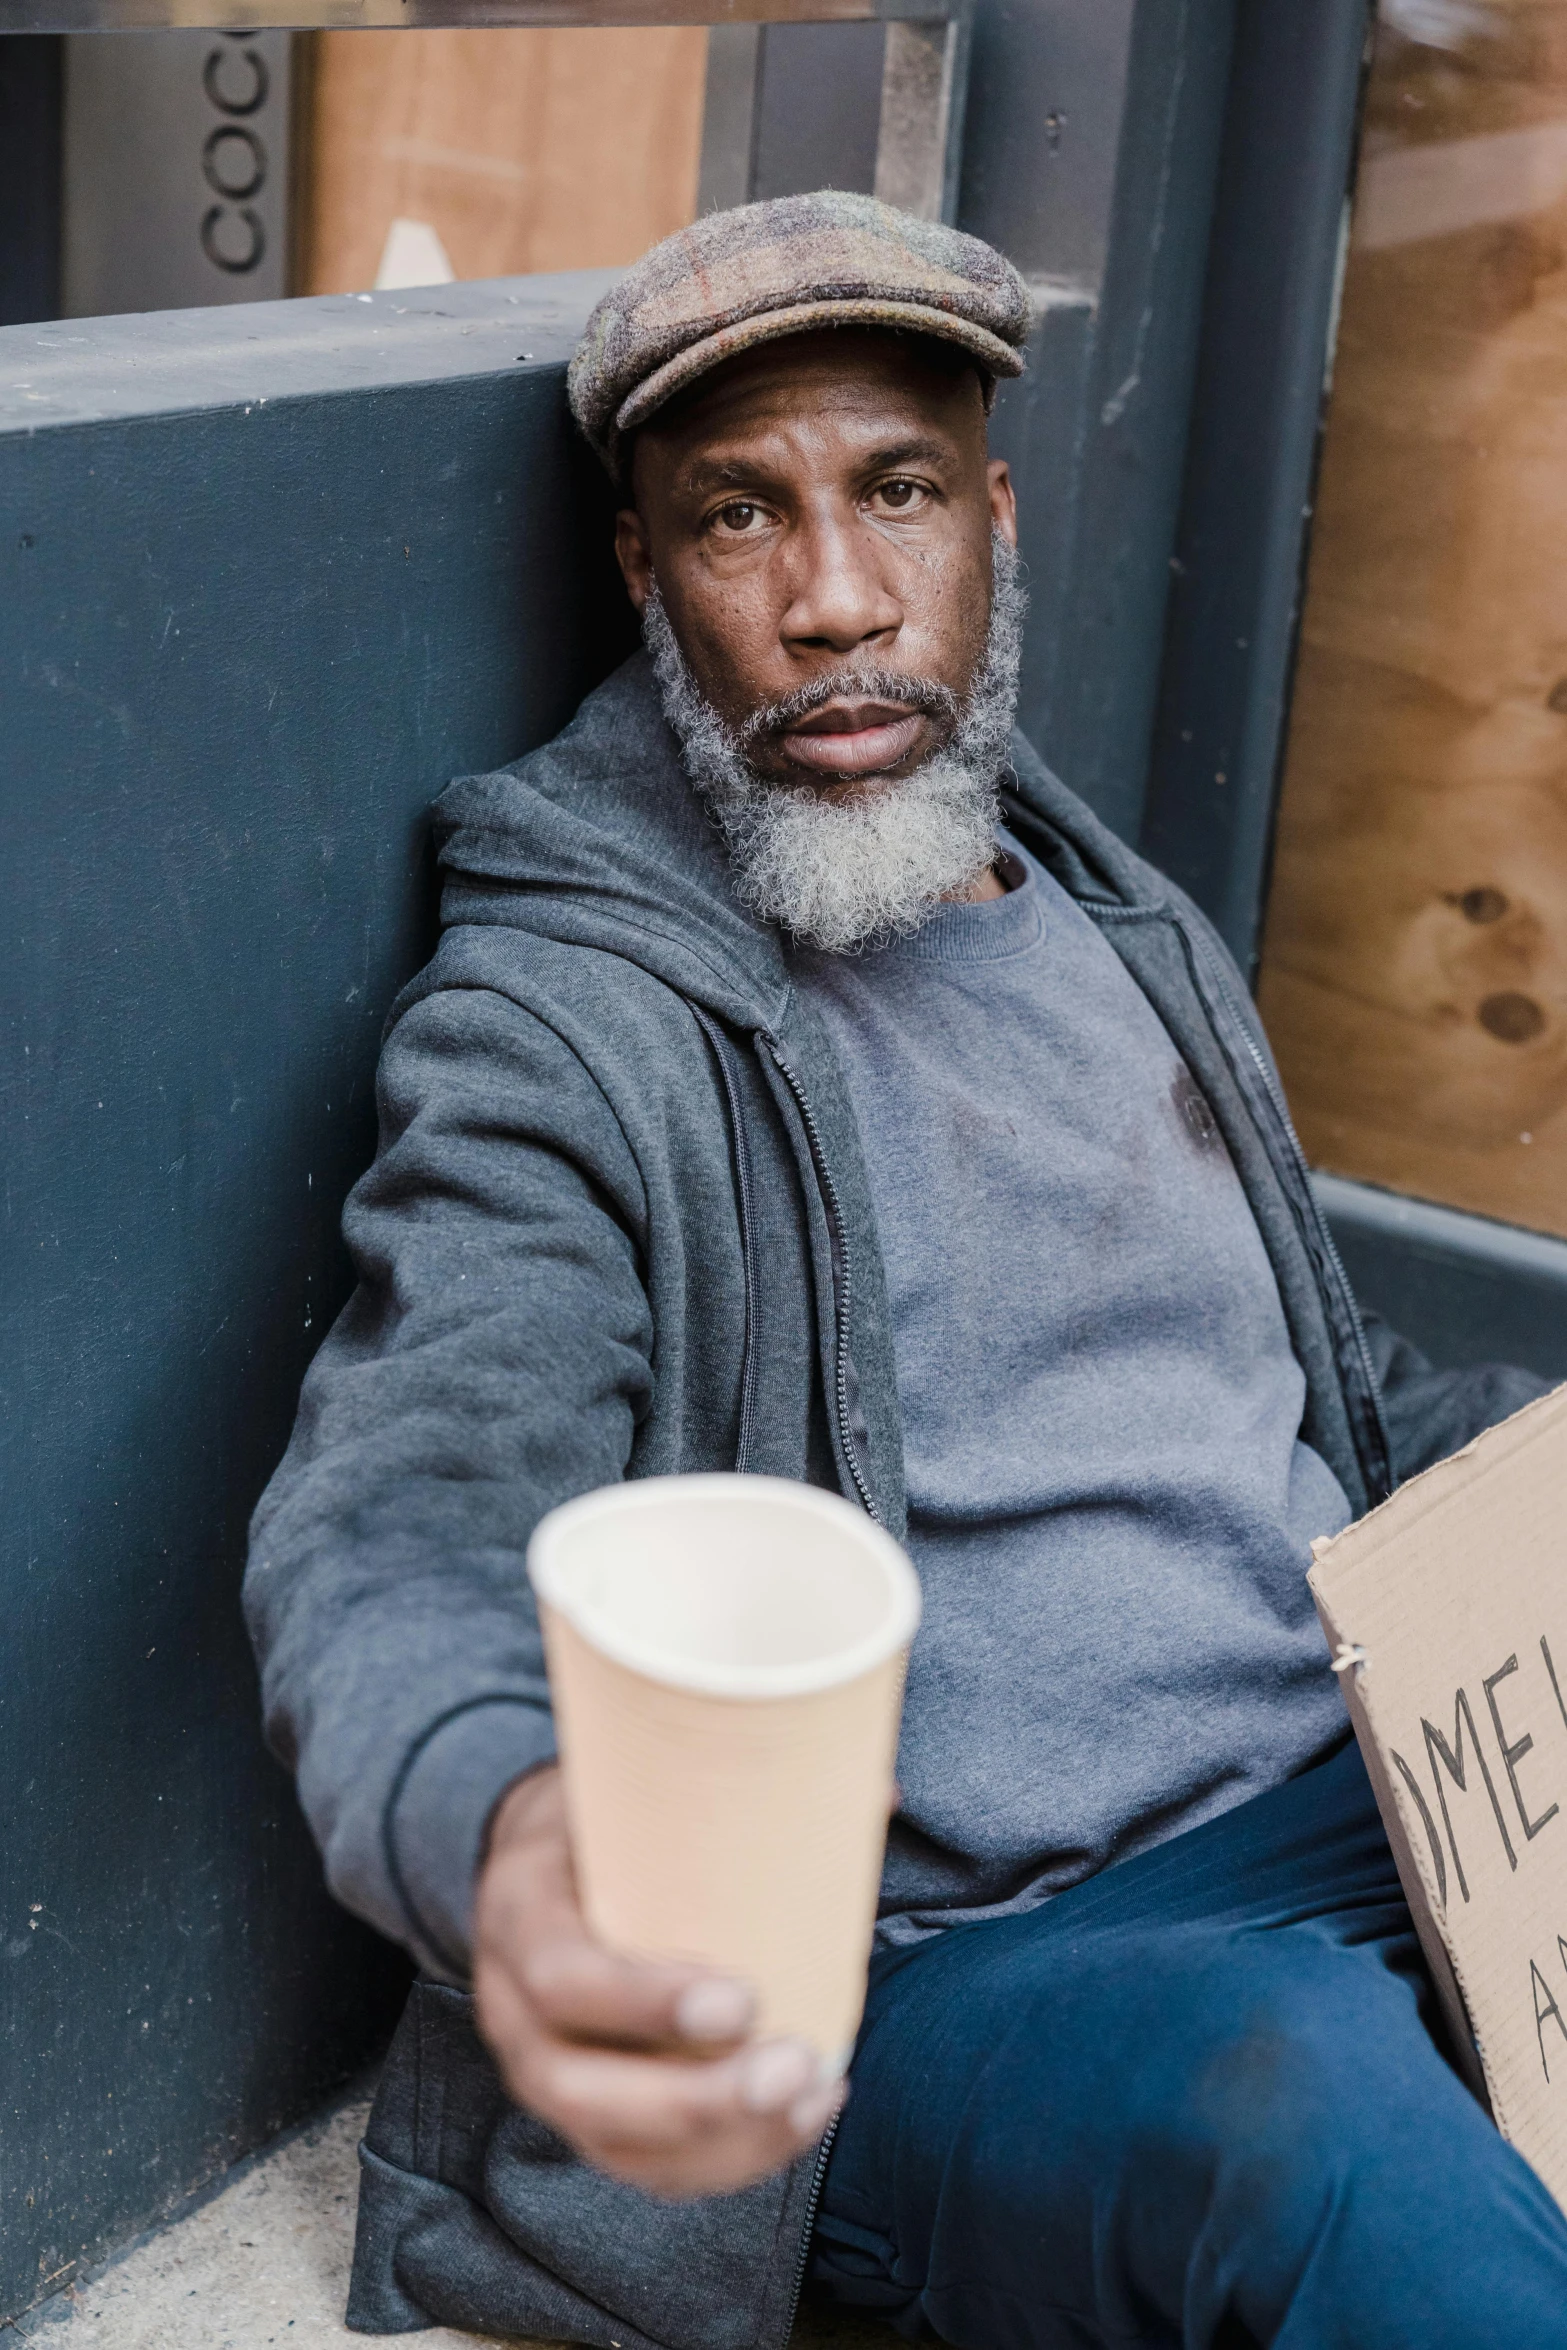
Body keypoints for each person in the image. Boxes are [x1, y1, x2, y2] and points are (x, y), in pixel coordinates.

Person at [245, 193, 1567, 2349]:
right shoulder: (562, 1021)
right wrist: (516, 1831)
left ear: (995, 517)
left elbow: (1327, 1381)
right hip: (997, 1965)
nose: (837, 598)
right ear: (643, 572)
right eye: (738, 518)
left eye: (899, 492)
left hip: (1370, 1782)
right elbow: (399, 1508)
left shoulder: (1102, 917)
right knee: (1310, 2122)